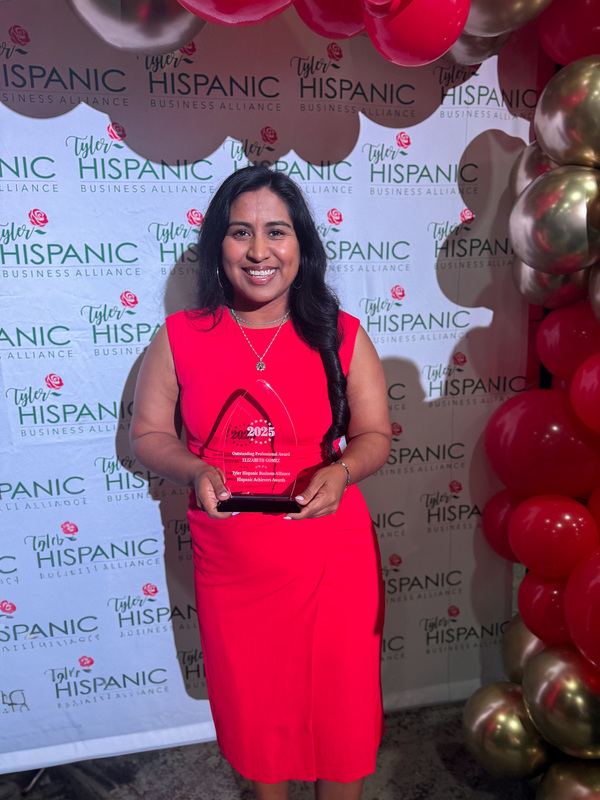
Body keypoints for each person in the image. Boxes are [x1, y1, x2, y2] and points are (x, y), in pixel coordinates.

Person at [130, 165, 392, 800]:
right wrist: (194, 469)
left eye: (276, 232)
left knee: (342, 716)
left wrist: (343, 470)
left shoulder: (340, 335)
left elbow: (376, 435)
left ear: (301, 246)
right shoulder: (179, 338)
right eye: (240, 232)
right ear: (217, 245)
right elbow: (148, 435)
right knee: (257, 718)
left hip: (332, 556)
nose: (258, 251)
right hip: (234, 566)